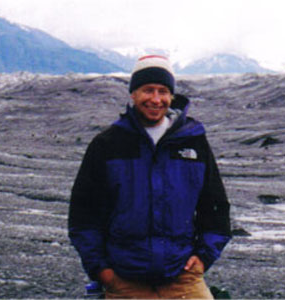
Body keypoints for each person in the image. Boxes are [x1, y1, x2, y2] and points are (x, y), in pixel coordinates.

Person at [68, 55, 232, 299]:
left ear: (171, 96)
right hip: (124, 279)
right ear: (133, 94)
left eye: (163, 91)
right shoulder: (107, 145)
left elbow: (215, 206)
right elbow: (83, 215)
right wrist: (102, 271)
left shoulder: (193, 142)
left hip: (183, 277)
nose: (156, 99)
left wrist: (204, 257)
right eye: (148, 90)